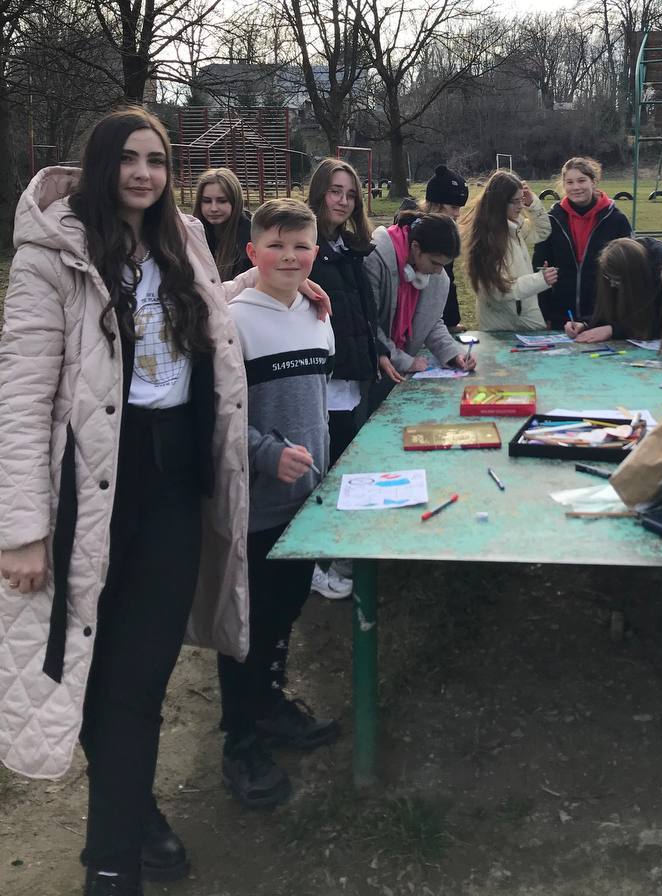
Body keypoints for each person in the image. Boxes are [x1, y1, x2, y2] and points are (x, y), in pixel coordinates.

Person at [0, 108, 251, 896]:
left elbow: (203, 314)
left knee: (138, 682)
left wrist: (273, 283)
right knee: (93, 673)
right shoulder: (53, 254)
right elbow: (22, 396)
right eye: (129, 158)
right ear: (101, 164)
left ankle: (113, 857)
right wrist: (22, 529)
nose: (144, 173)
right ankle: (122, 846)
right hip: (91, 491)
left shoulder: (185, 238)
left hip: (175, 483)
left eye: (157, 159)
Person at [218, 199, 339, 809]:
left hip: (304, 501)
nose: (290, 257)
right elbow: (214, 418)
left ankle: (267, 703)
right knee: (248, 623)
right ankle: (239, 741)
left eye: (301, 246)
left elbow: (316, 404)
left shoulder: (319, 315)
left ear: (316, 251)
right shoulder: (232, 321)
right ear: (252, 252)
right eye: (277, 245)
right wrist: (266, 454)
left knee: (286, 609)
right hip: (255, 504)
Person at [304, 158, 386, 600]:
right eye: (335, 191)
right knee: (322, 474)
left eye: (351, 194)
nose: (343, 200)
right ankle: (315, 565)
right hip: (322, 383)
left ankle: (336, 555)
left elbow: (362, 314)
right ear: (319, 192)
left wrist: (377, 353)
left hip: (352, 379)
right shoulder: (306, 245)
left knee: (343, 468)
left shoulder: (351, 247)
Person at [365, 211, 476, 397]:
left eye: (443, 265)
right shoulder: (375, 259)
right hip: (371, 371)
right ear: (416, 248)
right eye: (435, 263)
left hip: (398, 372)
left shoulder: (436, 276)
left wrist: (453, 354)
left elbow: (431, 322)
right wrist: (405, 361)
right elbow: (369, 323)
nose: (438, 271)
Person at [532, 156, 632, 327]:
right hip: (560, 319)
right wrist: (545, 313)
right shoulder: (552, 220)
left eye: (581, 180)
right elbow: (539, 267)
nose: (576, 187)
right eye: (570, 182)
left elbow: (629, 270)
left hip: (603, 318)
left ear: (593, 182)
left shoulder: (616, 220)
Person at [464, 170, 557, 331]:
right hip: (503, 326)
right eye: (515, 201)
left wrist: (532, 203)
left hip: (525, 317)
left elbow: (542, 231)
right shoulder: (486, 240)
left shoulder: (514, 226)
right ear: (499, 203)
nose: (520, 206)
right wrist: (540, 280)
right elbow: (498, 290)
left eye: (521, 199)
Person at [564, 235, 662, 343]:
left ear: (632, 277)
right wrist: (585, 324)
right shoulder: (613, 272)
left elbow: (659, 323)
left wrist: (613, 330)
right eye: (609, 278)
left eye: (617, 280)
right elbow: (607, 312)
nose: (612, 284)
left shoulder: (661, 275)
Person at [423, 165, 470, 331]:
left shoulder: (446, 232)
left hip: (436, 325)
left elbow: (447, 280)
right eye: (453, 207)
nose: (458, 214)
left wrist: (451, 322)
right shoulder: (418, 233)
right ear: (436, 205)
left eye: (459, 208)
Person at [193, 167, 253, 280]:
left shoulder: (251, 237)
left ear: (235, 202)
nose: (213, 208)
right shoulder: (191, 233)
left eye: (222, 201)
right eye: (207, 201)